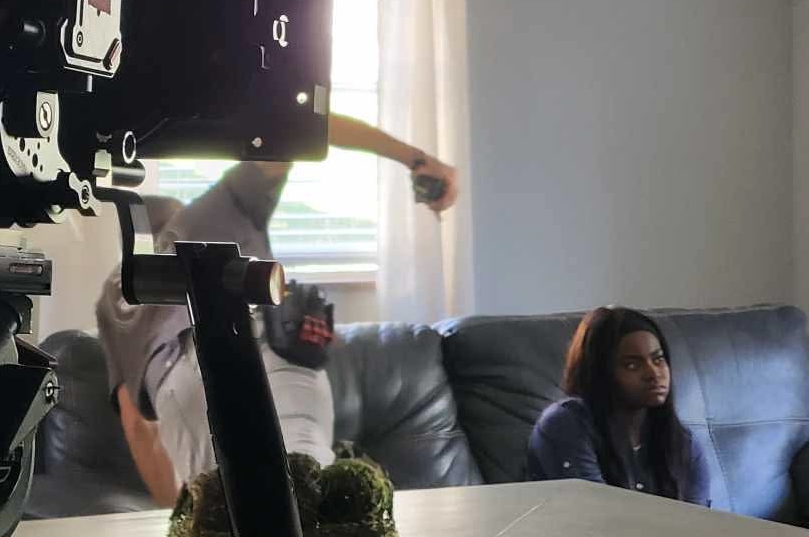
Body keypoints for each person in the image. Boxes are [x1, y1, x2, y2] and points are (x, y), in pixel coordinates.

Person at [96, 113, 457, 507]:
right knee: (314, 506)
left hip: (175, 388)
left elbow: (138, 428)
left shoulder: (113, 296)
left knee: (222, 522)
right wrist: (415, 159)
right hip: (258, 350)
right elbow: (300, 124)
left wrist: (177, 517)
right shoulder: (213, 211)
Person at [526, 306, 710, 507]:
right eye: (632, 365)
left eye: (658, 359)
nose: (654, 373)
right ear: (600, 373)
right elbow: (595, 517)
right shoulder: (566, 425)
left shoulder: (684, 443)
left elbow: (699, 525)